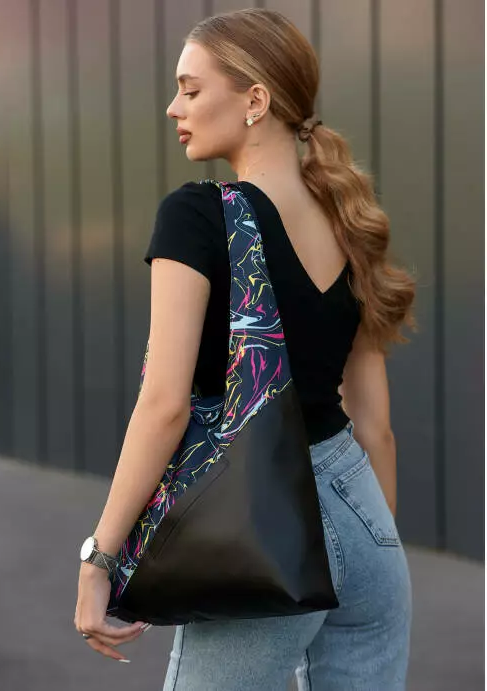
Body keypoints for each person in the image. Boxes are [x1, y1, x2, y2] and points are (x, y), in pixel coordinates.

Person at [74, 8, 418, 690]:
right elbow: (375, 425)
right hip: (367, 525)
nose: (174, 107)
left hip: (263, 525)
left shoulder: (198, 216)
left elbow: (165, 404)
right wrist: (367, 549)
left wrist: (99, 557)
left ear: (255, 100)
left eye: (191, 89)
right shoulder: (348, 219)